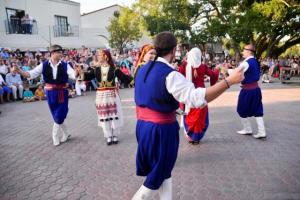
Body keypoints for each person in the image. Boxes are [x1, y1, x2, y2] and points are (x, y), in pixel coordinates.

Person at [132, 32, 244, 200]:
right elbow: (197, 98)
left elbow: (149, 96)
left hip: (143, 127)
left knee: (164, 171)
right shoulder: (170, 74)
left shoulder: (142, 69)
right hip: (161, 130)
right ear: (174, 49)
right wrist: (228, 82)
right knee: (156, 175)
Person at [17, 44, 77, 146]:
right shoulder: (43, 65)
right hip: (50, 93)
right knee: (55, 114)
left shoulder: (65, 64)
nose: (61, 54)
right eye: (59, 52)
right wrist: (19, 71)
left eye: (61, 52)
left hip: (62, 92)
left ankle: (54, 136)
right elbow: (31, 74)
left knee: (60, 113)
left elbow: (73, 75)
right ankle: (66, 133)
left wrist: (77, 72)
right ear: (52, 53)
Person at [84, 49, 133, 145]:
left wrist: (135, 80)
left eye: (100, 55)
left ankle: (115, 135)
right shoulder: (96, 69)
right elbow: (87, 76)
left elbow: (124, 78)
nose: (98, 57)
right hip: (101, 96)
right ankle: (108, 135)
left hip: (112, 96)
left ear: (106, 56)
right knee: (104, 115)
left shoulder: (114, 69)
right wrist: (80, 72)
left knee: (114, 115)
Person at [178, 47, 219, 144]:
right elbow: (213, 75)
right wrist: (217, 70)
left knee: (189, 114)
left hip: (188, 94)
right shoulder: (203, 67)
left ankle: (189, 135)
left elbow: (178, 77)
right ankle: (197, 137)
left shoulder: (184, 65)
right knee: (200, 115)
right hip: (201, 94)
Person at [236, 44, 267, 139]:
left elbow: (236, 72)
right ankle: (261, 132)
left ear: (249, 51)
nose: (242, 52)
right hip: (256, 89)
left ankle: (248, 129)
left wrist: (225, 70)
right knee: (258, 110)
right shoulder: (254, 61)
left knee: (241, 109)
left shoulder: (246, 63)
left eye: (244, 50)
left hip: (247, 90)